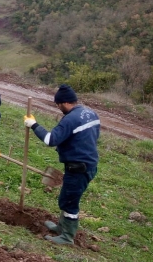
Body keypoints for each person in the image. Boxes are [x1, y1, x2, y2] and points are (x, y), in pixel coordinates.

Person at [24, 84, 100, 246]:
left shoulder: (70, 119)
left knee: (69, 202)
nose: (58, 108)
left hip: (79, 167)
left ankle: (67, 236)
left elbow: (50, 140)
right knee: (67, 197)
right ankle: (61, 227)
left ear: (64, 103)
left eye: (58, 105)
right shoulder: (90, 113)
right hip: (89, 163)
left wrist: (33, 125)